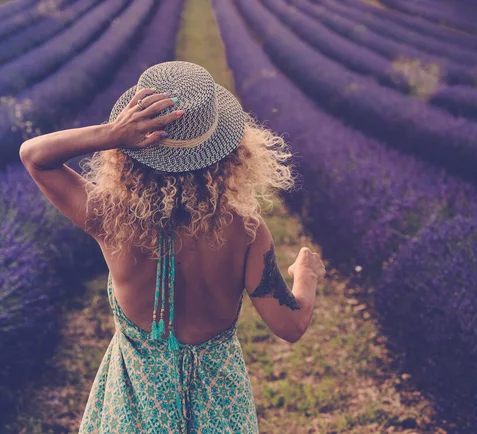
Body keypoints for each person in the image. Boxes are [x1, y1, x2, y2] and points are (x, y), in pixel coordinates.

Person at [20, 61, 325, 434]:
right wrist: (305, 276)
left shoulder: (111, 218)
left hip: (133, 410)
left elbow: (34, 156)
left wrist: (112, 133)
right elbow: (291, 325)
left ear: (131, 153)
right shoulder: (245, 231)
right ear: (228, 153)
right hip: (220, 410)